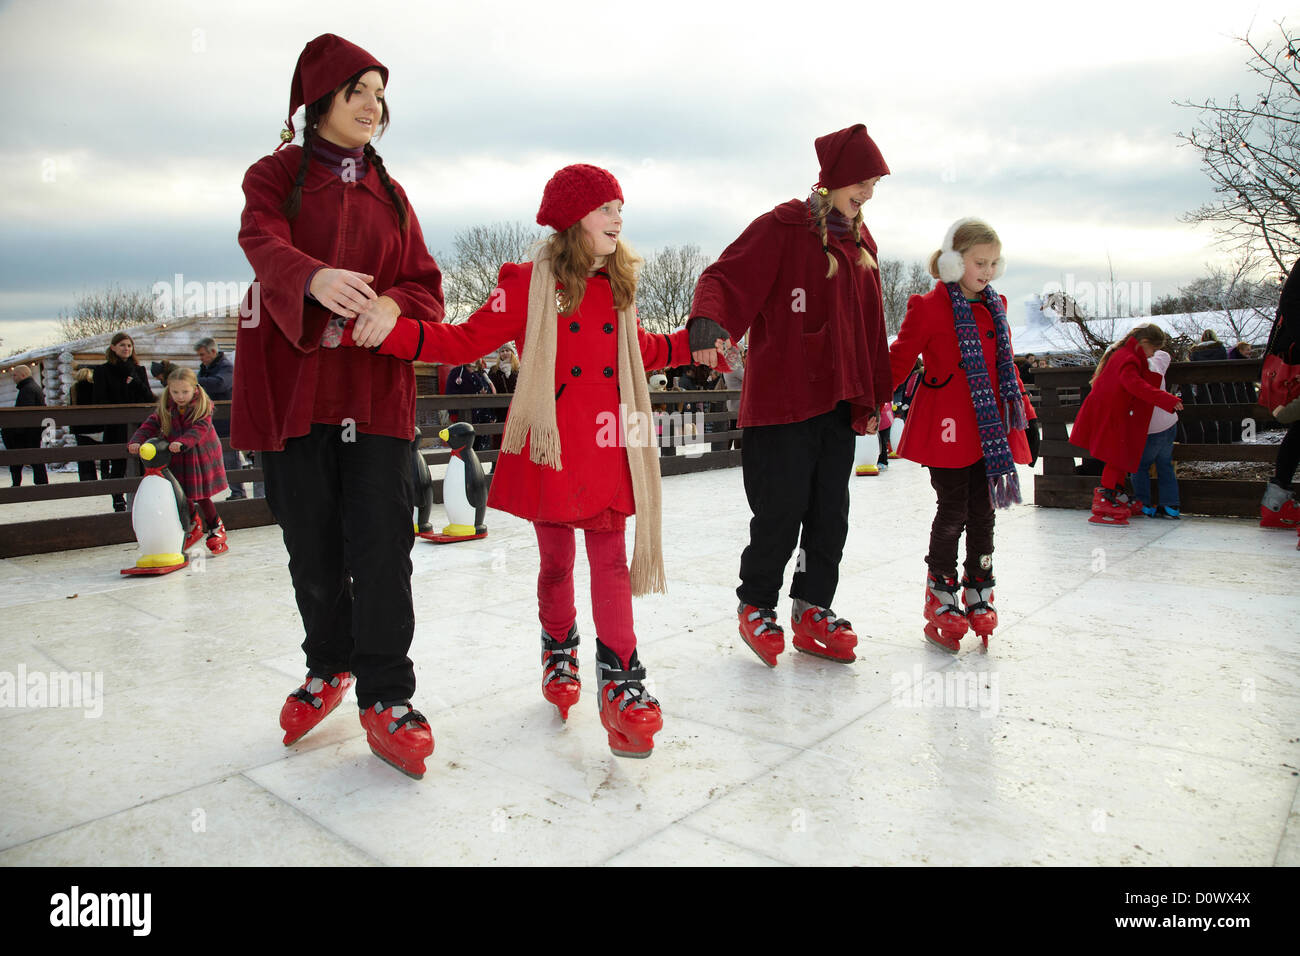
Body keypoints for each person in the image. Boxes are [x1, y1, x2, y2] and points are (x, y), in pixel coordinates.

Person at [343, 163, 720, 758]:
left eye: (620, 206)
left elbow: (640, 350)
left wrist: (693, 345)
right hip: (554, 445)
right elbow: (464, 340)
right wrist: (393, 331)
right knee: (555, 566)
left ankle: (622, 679)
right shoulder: (527, 282)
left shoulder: (618, 285)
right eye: (606, 208)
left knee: (612, 563)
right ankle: (559, 648)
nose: (618, 217)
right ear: (574, 219)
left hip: (610, 445)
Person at [231, 34, 445, 779]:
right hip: (295, 393)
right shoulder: (275, 176)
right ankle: (329, 663)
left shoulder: (391, 191)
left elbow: (426, 283)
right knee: (311, 545)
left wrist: (394, 302)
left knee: (383, 547)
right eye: (359, 89)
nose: (372, 104)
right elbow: (259, 239)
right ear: (318, 99)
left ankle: (387, 692)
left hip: (374, 397)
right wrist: (312, 277)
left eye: (381, 94)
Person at [689, 123, 893, 666]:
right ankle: (757, 603)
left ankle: (811, 607)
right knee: (779, 513)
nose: (869, 193)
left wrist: (879, 393)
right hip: (782, 402)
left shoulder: (863, 244)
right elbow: (725, 276)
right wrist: (710, 323)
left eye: (874, 184)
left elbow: (873, 327)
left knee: (831, 515)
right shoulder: (784, 226)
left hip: (839, 402)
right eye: (863, 181)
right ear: (834, 179)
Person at [889, 218, 1036, 651]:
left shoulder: (997, 305)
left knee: (985, 511)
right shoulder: (929, 306)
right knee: (953, 509)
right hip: (947, 427)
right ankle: (940, 590)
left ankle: (979, 587)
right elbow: (899, 361)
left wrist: (1025, 416)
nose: (987, 271)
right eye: (978, 262)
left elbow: (1005, 369)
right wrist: (870, 401)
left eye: (993, 263)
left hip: (990, 429)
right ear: (954, 262)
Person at [1069, 324, 1184, 526]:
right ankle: (1105, 499)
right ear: (1145, 343)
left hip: (1114, 414)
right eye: (1154, 350)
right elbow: (1135, 385)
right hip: (1113, 416)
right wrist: (1167, 399)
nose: (1153, 354)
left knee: (1120, 457)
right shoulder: (1128, 358)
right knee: (1116, 457)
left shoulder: (1125, 354)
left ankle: (1114, 495)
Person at [128, 367, 229, 551]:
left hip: (199, 457)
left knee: (200, 495)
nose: (180, 396)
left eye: (185, 392)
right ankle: (192, 523)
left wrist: (182, 442)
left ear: (194, 389)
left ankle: (216, 527)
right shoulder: (166, 408)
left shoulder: (202, 408)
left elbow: (199, 429)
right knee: (178, 492)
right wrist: (136, 441)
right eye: (175, 392)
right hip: (176, 456)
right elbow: (149, 425)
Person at [92, 332, 153, 511]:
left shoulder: (138, 370)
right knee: (118, 465)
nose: (126, 348)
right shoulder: (103, 371)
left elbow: (148, 396)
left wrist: (136, 384)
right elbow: (99, 399)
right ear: (113, 348)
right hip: (116, 424)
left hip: (138, 425)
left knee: (143, 463)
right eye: (122, 345)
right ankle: (118, 499)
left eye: (129, 345)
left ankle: (143, 501)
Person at [1261, 258, 1300, 528]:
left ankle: (1275, 501)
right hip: (1295, 354)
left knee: (1299, 429)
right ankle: (1276, 502)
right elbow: (1290, 305)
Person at [1129, 348, 1180, 519]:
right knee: (1165, 465)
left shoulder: (1133, 370)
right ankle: (1171, 505)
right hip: (1169, 421)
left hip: (1149, 427)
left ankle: (1144, 504)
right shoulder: (1158, 361)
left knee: (1140, 465)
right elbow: (1165, 354)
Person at [195, 337, 245, 500]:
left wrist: (195, 382)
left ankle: (238, 492)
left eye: (203, 354)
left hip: (225, 420)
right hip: (210, 419)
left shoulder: (226, 367)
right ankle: (203, 493)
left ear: (213, 352)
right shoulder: (205, 369)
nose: (201, 358)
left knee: (230, 457)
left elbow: (220, 384)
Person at [4, 365, 49, 486]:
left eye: (15, 375)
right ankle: (41, 482)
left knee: (21, 457)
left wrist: (16, 432)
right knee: (35, 457)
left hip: (28, 432)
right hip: (33, 431)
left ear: (23, 375)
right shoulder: (33, 387)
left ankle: (19, 484)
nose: (13, 378)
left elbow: (25, 414)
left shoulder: (27, 390)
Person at [68, 366, 103, 483]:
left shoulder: (74, 389)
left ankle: (87, 479)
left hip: (81, 427)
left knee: (85, 457)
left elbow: (71, 406)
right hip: (98, 426)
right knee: (105, 454)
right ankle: (106, 477)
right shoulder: (97, 387)